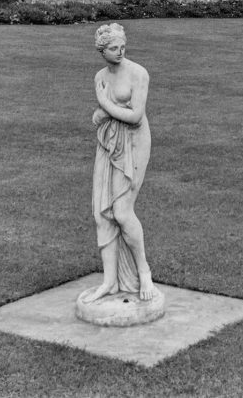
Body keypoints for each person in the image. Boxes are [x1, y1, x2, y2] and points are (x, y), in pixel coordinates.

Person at [83, 23, 156, 303]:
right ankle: (110, 281)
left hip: (134, 143)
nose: (120, 51)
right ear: (102, 51)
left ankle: (144, 272)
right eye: (114, 48)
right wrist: (103, 112)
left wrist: (104, 106)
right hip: (108, 142)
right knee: (102, 213)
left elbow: (135, 116)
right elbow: (112, 112)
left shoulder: (138, 73)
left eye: (123, 46)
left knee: (123, 212)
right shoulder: (100, 76)